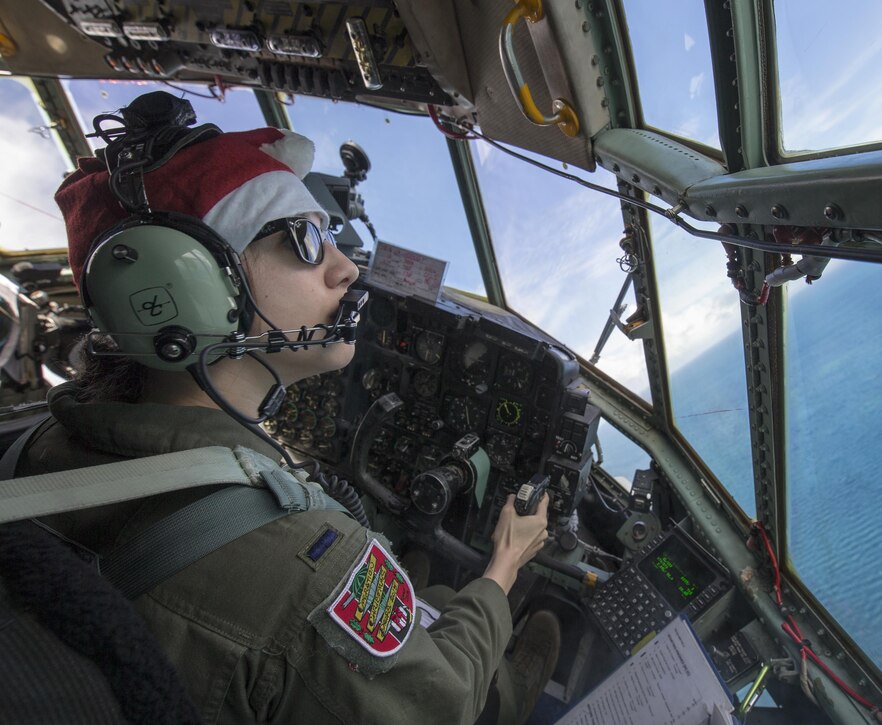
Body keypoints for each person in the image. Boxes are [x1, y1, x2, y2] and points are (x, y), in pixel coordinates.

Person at [3, 92, 559, 723]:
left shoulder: (37, 442)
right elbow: (444, 702)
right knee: (478, 661)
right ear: (187, 289)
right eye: (306, 239)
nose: (347, 268)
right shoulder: (303, 568)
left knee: (417, 578)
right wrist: (504, 565)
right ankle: (516, 681)